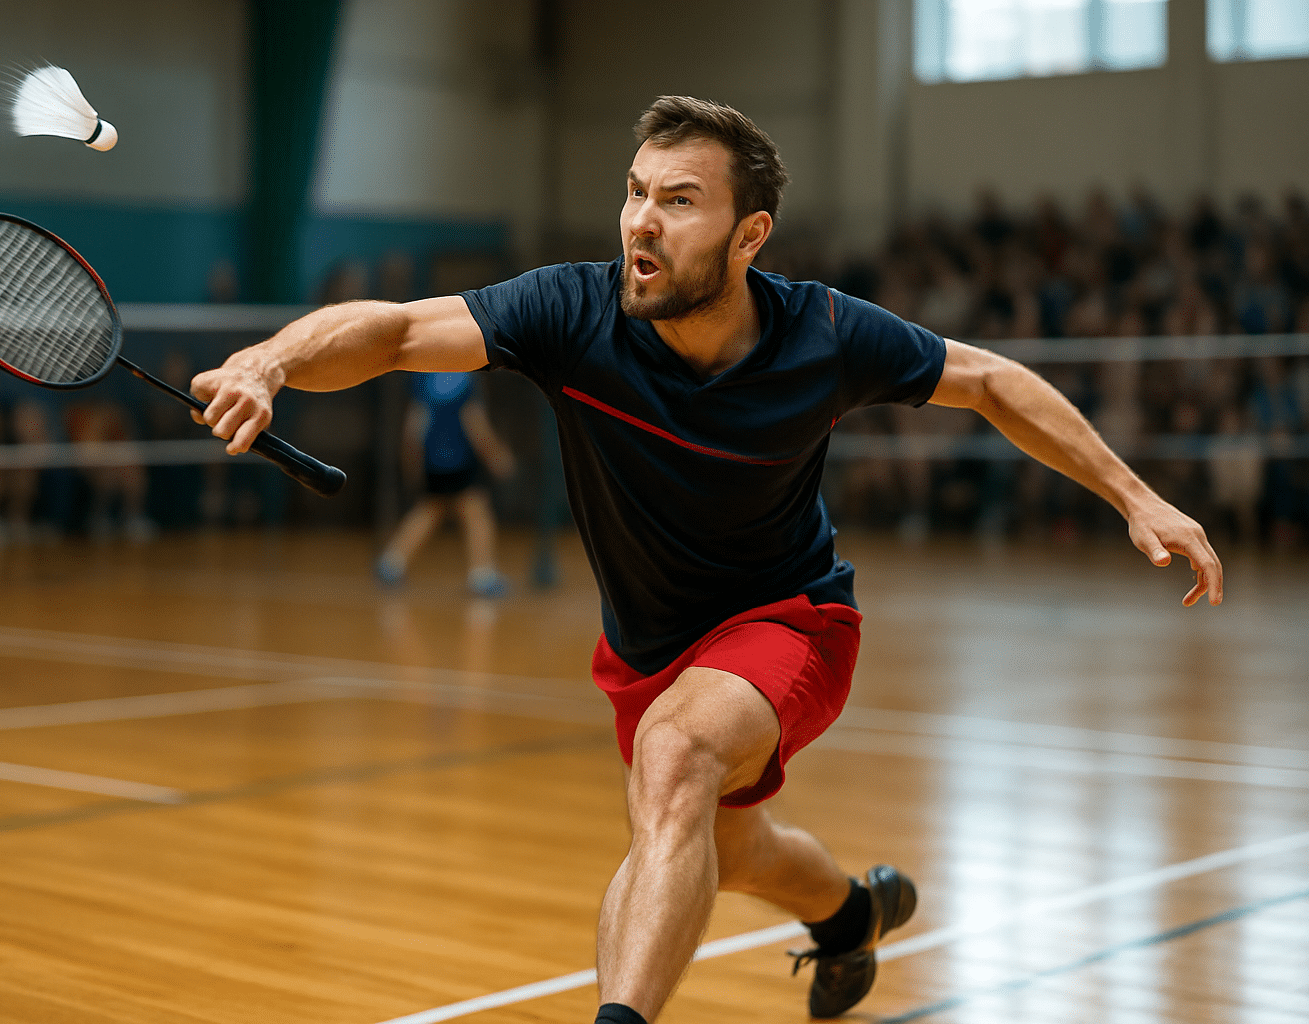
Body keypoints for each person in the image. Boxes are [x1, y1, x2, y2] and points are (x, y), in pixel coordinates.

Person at [190, 96, 1223, 1022]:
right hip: (648, 651)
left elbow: (991, 381)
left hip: (793, 623)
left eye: (679, 200)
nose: (642, 219)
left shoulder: (820, 331)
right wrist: (271, 359)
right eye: (635, 192)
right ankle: (852, 912)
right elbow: (402, 332)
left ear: (748, 234)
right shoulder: (572, 310)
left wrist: (1135, 494)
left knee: (676, 762)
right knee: (730, 848)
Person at [375, 371, 516, 597]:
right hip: (459, 459)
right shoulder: (467, 376)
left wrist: (411, 459)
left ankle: (391, 563)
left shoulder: (423, 376)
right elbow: (474, 421)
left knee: (432, 508)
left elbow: (415, 421)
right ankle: (482, 575)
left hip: (433, 461)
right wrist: (495, 456)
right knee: (475, 511)